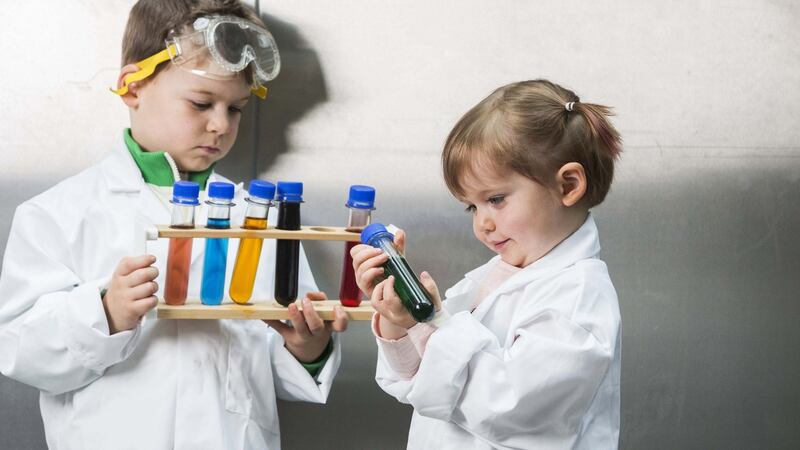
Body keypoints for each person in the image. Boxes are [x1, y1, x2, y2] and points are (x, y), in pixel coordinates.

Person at [0, 1, 347, 449]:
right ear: (132, 87)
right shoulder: (57, 215)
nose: (220, 125)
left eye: (236, 108)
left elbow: (274, 364)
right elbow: (18, 350)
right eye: (202, 102)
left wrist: (307, 349)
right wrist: (105, 312)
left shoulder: (261, 220)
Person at [352, 79, 622, 449]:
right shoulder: (494, 276)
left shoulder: (578, 298)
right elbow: (425, 382)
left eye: (495, 199)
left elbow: (512, 406)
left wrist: (428, 321)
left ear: (568, 185)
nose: (482, 223)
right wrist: (401, 322)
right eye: (472, 206)